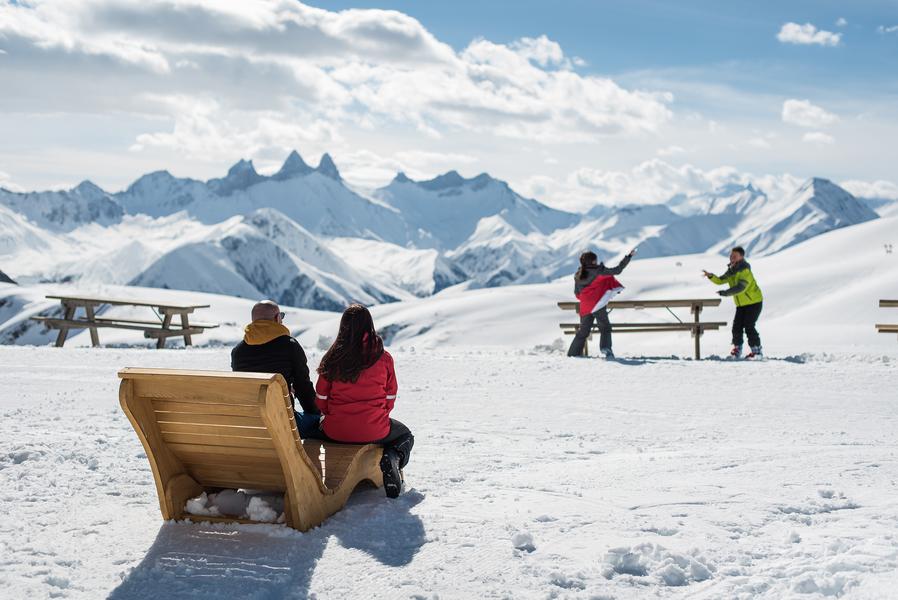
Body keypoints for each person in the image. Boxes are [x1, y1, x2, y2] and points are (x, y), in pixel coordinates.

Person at [312, 304, 414, 499]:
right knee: (405, 436)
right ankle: (392, 457)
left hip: (334, 430)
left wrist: (330, 415)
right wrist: (379, 415)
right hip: (374, 429)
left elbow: (321, 398)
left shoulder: (333, 357)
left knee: (311, 428)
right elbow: (390, 396)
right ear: (370, 326)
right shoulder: (383, 358)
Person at [231, 300, 321, 436]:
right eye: (282, 316)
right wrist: (315, 413)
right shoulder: (290, 346)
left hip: (251, 423)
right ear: (277, 318)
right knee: (319, 422)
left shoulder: (238, 351)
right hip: (283, 424)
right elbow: (303, 387)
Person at [567, 248, 636, 360]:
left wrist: (587, 297)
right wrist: (628, 257)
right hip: (597, 304)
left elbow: (577, 293)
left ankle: (572, 353)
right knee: (605, 328)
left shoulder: (578, 274)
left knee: (583, 331)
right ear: (593, 261)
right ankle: (605, 348)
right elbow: (617, 270)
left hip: (584, 306)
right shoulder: (599, 271)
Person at [703, 246, 764, 359]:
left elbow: (741, 288)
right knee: (736, 327)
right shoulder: (732, 270)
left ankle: (757, 351)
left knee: (749, 326)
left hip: (754, 302)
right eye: (731, 256)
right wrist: (711, 276)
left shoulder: (744, 270)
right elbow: (721, 280)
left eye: (734, 256)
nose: (732, 258)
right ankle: (737, 349)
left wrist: (725, 293)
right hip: (741, 304)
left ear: (741, 257)